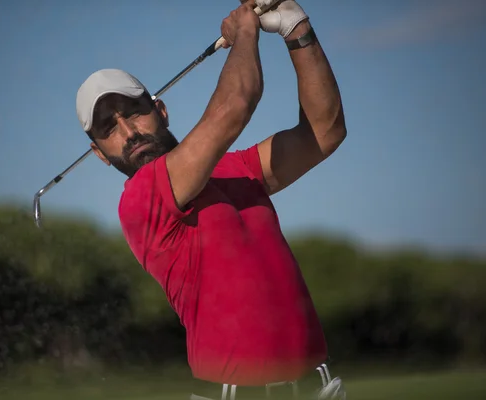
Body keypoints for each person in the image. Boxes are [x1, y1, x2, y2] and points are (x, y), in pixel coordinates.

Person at [75, 0, 347, 398]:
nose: (128, 132)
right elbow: (236, 104)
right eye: (108, 128)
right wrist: (245, 31)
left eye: (133, 111)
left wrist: (295, 26)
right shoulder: (141, 198)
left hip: (316, 388)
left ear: (161, 111)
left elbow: (325, 132)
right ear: (100, 153)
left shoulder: (237, 168)